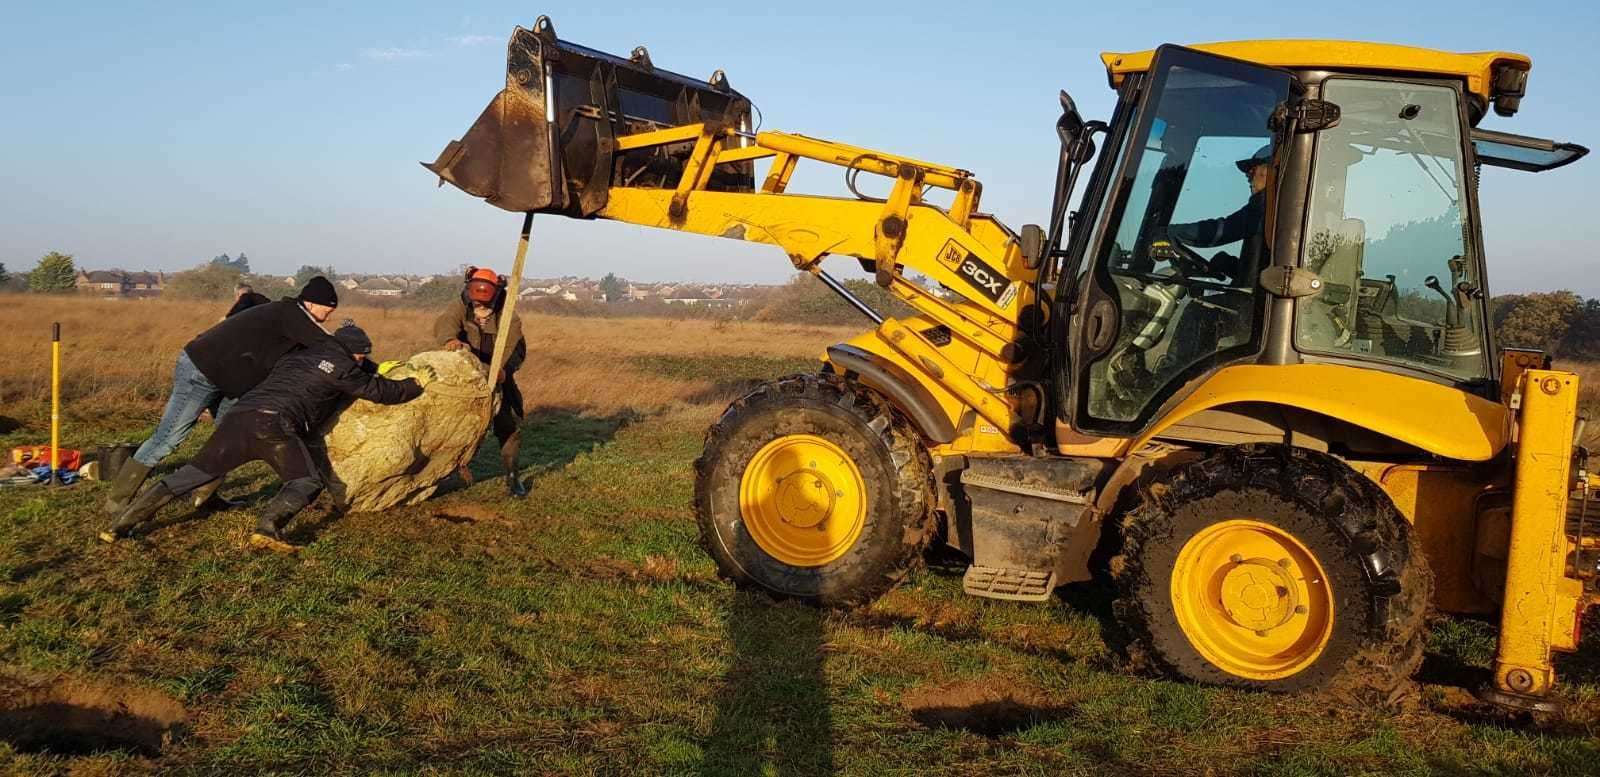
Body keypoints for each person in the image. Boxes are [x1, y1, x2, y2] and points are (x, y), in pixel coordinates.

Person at [99, 322, 434, 547]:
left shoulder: (303, 353)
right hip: (274, 425)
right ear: (351, 351)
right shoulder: (343, 366)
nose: (363, 358)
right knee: (306, 481)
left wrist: (374, 366)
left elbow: (349, 371)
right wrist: (415, 385)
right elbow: (377, 391)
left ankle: (119, 525)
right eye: (362, 354)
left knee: (190, 475)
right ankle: (268, 529)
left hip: (238, 418)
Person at [102, 276, 341, 515]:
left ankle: (205, 497)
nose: (329, 314)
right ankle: (117, 502)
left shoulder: (292, 319)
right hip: (201, 371)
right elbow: (330, 348)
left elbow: (319, 353)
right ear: (311, 303)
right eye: (328, 309)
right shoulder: (293, 315)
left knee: (227, 439)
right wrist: (365, 367)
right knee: (168, 438)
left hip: (230, 383)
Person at [433, 266, 529, 497]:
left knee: (508, 427)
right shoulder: (459, 306)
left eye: (484, 302)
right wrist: (450, 341)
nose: (479, 306)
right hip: (465, 375)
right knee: (449, 424)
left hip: (499, 375)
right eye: (476, 301)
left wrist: (503, 371)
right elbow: (446, 323)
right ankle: (439, 473)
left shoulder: (509, 317)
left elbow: (514, 348)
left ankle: (513, 477)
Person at [1160, 143, 1273, 283]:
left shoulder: (1265, 207)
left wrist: (1170, 232)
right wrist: (1230, 265)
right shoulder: (1275, 211)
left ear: (1272, 171)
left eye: (1252, 171)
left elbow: (1221, 230)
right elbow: (1265, 271)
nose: (1248, 178)